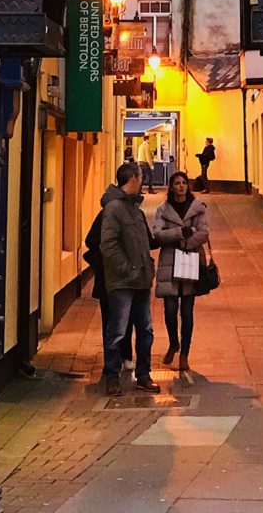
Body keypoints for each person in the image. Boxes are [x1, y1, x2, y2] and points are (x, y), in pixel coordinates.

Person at [99, 162, 160, 396]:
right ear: (133, 178)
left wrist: (147, 268)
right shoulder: (114, 208)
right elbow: (108, 244)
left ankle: (143, 375)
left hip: (141, 280)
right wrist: (128, 269)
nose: (142, 180)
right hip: (123, 282)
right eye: (140, 177)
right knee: (118, 331)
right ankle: (111, 376)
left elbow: (144, 241)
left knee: (146, 330)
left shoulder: (136, 210)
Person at [152, 171, 209, 372]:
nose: (181, 186)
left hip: (189, 261)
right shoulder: (163, 209)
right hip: (169, 262)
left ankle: (185, 353)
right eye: (177, 183)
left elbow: (203, 233)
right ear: (171, 187)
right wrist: (179, 233)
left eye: (184, 182)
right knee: (169, 311)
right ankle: (173, 342)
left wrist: (185, 242)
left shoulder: (197, 208)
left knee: (187, 312)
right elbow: (157, 234)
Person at [83, 209, 134, 372]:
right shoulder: (106, 214)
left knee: (127, 318)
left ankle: (125, 355)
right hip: (107, 276)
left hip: (127, 277)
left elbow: (145, 240)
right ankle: (111, 361)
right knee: (110, 321)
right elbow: (90, 240)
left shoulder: (134, 214)